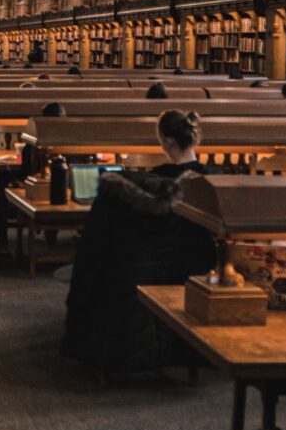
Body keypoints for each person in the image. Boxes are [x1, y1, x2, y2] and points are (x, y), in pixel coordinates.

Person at [62, 109, 214, 375]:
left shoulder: (140, 184)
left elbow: (97, 246)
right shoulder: (211, 182)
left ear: (167, 143)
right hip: (190, 274)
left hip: (131, 275)